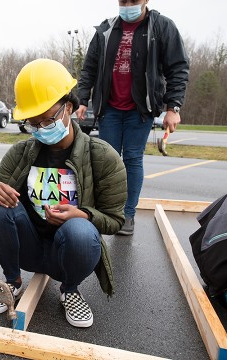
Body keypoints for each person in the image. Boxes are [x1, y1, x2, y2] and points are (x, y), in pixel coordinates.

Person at [0, 59, 127, 328]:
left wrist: (82, 215)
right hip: (27, 248)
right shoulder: (21, 153)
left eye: (48, 119)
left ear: (68, 107)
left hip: (69, 252)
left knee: (79, 230)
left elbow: (115, 221)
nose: (41, 129)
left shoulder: (103, 157)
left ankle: (69, 290)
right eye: (33, 123)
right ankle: (11, 282)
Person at [76, 0, 189, 235]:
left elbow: (178, 68)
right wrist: (82, 99)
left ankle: (127, 215)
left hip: (140, 109)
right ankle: (107, 212)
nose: (128, 5)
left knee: (133, 159)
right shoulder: (106, 29)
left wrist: (173, 107)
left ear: (146, 1)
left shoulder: (162, 28)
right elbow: (90, 67)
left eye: (133, 1)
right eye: (123, 1)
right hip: (109, 109)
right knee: (106, 162)